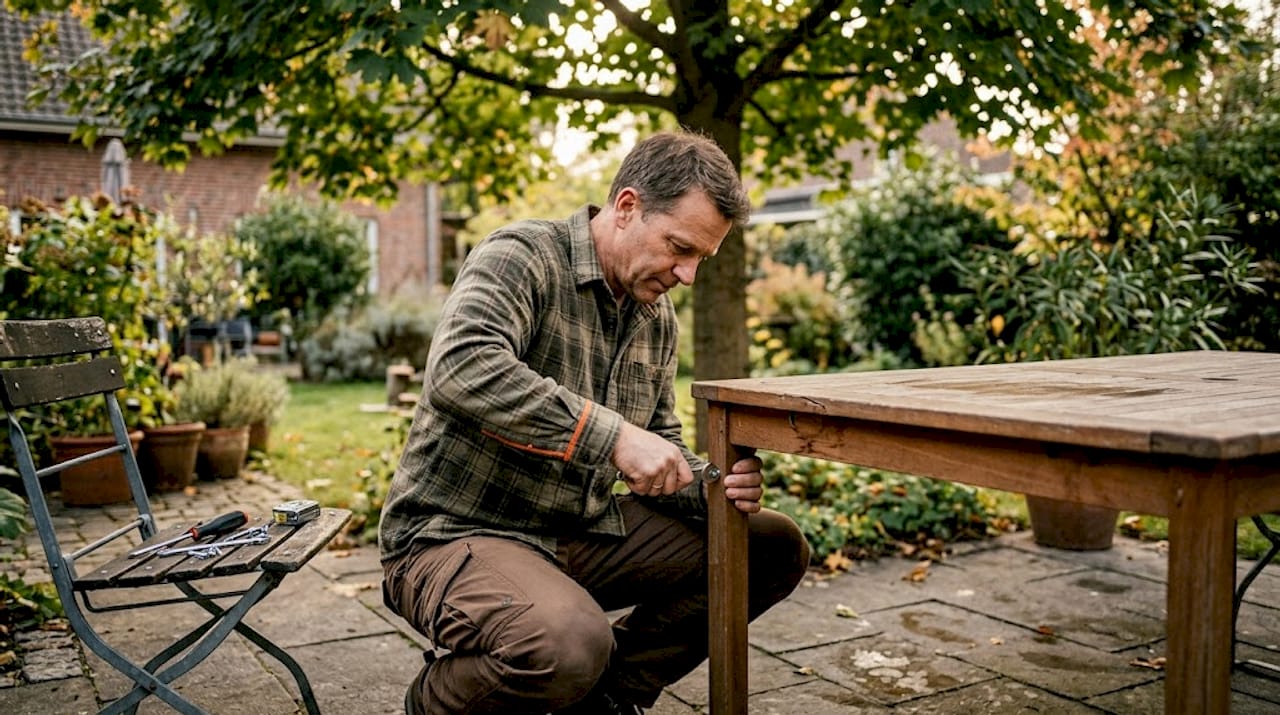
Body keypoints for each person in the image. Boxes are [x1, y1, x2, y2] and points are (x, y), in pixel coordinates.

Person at [379, 130, 811, 715]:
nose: (687, 276)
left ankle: (607, 699)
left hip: (574, 531)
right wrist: (611, 437)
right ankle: (437, 703)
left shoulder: (655, 318)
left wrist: (713, 484)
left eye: (700, 260)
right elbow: (462, 367)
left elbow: (659, 444)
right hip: (450, 534)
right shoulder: (522, 255)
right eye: (679, 248)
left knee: (770, 546)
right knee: (569, 642)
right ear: (627, 207)